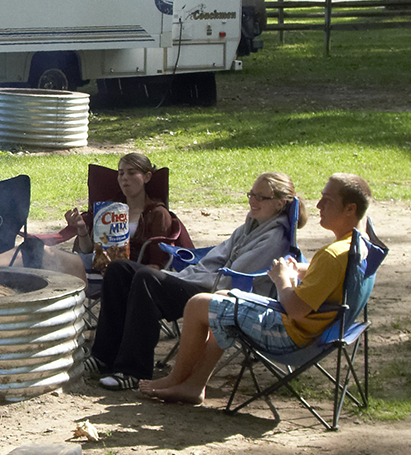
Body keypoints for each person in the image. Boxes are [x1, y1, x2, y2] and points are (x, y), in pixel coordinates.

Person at [141, 173, 371, 405]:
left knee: (198, 303)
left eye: (327, 200)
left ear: (350, 209)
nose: (319, 205)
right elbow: (327, 275)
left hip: (293, 336)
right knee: (222, 299)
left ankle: (176, 380)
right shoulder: (354, 246)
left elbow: (296, 309)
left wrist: (283, 280)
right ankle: (194, 385)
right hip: (317, 329)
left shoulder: (331, 255)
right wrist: (301, 269)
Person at [90, 172, 306, 391]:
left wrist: (183, 278)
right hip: (202, 281)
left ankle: (132, 371)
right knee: (119, 268)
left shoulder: (274, 238)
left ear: (280, 203)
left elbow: (233, 276)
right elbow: (217, 256)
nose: (252, 201)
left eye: (261, 197)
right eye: (251, 194)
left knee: (147, 279)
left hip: (221, 294)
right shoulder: (250, 226)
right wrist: (183, 276)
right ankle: (103, 356)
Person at [65, 153, 180, 270]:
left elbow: (158, 263)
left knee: (116, 265)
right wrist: (82, 229)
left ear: (147, 177)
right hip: (100, 264)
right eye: (121, 173)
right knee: (56, 256)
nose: (124, 177)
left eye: (131, 173)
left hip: (133, 270)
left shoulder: (157, 213)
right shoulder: (108, 209)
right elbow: (88, 251)